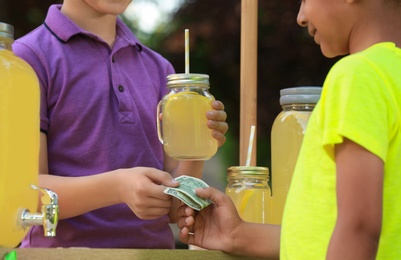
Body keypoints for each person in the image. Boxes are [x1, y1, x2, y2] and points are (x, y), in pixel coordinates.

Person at [177, 0, 401, 258]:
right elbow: (326, 235)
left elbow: (359, 226)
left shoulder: (357, 75)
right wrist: (236, 234)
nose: (301, 17)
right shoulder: (389, 74)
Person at [12, 1, 228, 249]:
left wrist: (198, 144)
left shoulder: (160, 69)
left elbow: (174, 208)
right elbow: (23, 195)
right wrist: (117, 188)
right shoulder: (26, 58)